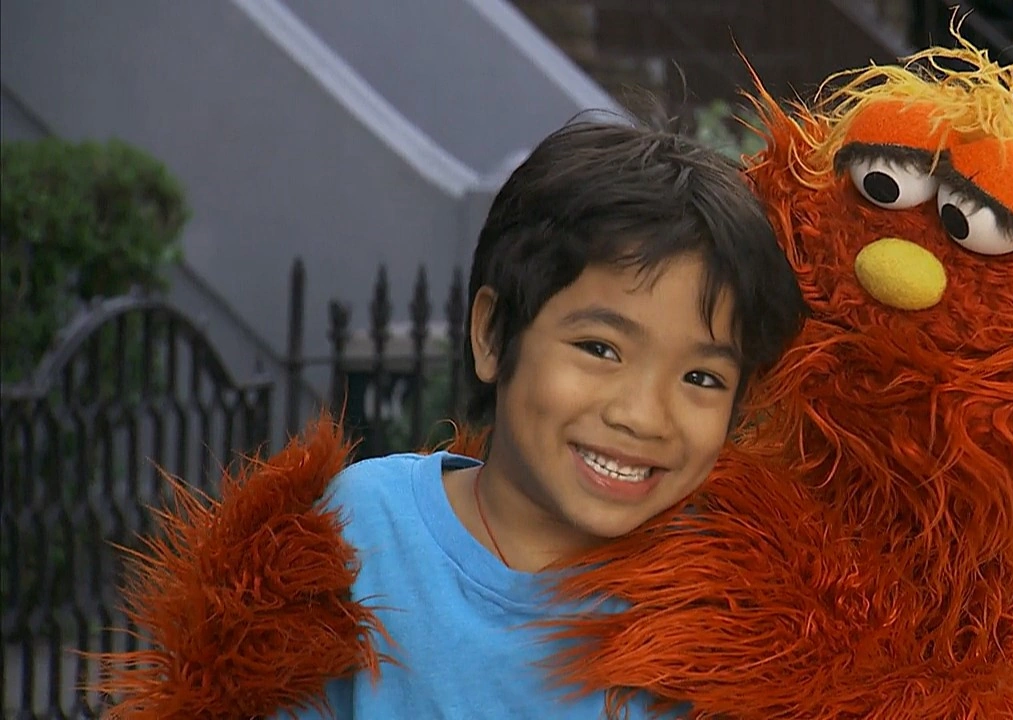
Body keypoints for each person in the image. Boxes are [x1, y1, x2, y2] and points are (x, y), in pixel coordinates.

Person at [95, 117, 806, 719]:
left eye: (701, 377)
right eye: (600, 348)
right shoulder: (355, 536)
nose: (643, 415)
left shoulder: (726, 609)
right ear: (493, 335)